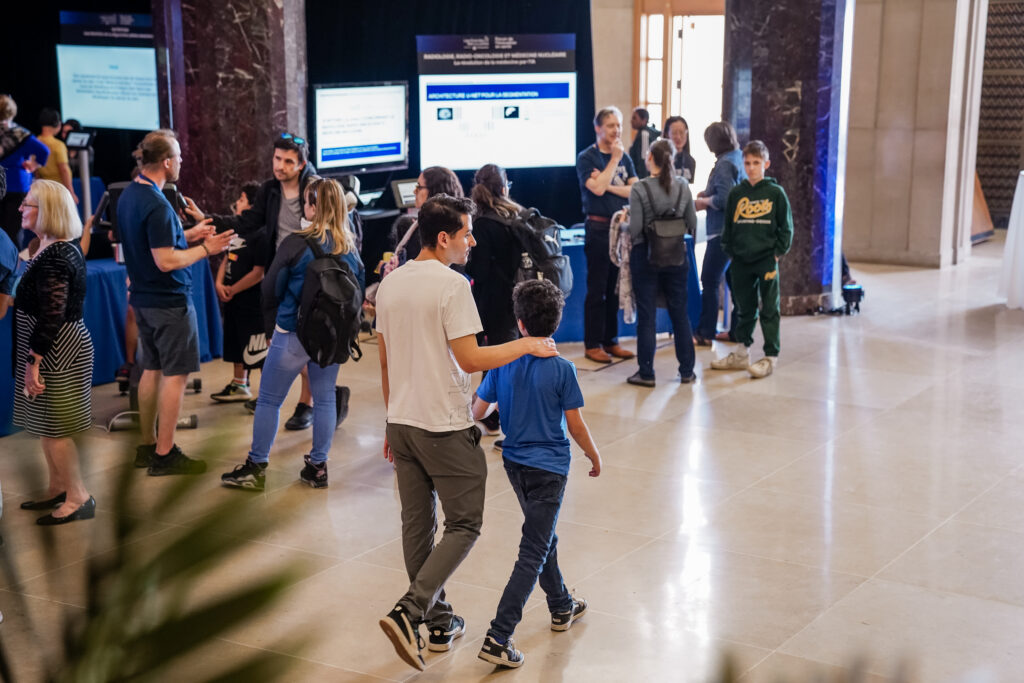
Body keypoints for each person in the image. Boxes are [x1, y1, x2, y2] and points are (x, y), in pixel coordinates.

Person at [375, 194, 558, 672]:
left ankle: (437, 622)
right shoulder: (453, 286)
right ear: (443, 238)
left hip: (403, 421)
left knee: (417, 525)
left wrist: (390, 420)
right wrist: (526, 344)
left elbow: (385, 357)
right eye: (466, 233)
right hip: (442, 424)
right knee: (464, 523)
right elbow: (471, 359)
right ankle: (410, 610)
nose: (472, 241)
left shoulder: (390, 284)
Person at [471, 279, 601, 669]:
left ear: (520, 324)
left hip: (515, 465)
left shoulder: (503, 362)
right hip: (550, 470)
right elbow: (575, 426)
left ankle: (561, 605)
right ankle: (499, 635)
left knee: (542, 536)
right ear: (556, 324)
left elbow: (477, 412)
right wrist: (594, 455)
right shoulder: (563, 369)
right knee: (533, 549)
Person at [186, 134, 345, 430]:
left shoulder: (317, 189)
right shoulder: (270, 191)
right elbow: (247, 222)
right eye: (276, 159)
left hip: (315, 274)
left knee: (309, 341)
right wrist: (207, 219)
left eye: (287, 161)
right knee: (285, 341)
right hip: (283, 271)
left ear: (301, 165)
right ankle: (316, 397)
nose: (280, 166)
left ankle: (307, 404)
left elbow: (337, 227)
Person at [220, 178, 364, 491]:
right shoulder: (350, 249)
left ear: (313, 207)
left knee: (269, 401)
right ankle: (317, 467)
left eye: (306, 202)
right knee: (325, 399)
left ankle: (255, 467)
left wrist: (273, 327)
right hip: (331, 337)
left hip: (292, 334)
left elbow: (271, 288)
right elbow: (359, 295)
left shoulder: (295, 243)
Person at [118, 129, 234, 474]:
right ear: (166, 162)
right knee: (176, 374)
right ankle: (165, 453)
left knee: (151, 370)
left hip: (143, 299)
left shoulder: (129, 195)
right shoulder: (156, 202)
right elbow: (165, 260)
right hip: (169, 301)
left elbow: (152, 243)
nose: (182, 162)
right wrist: (205, 249)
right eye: (179, 157)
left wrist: (189, 235)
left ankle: (146, 446)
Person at [11, 180, 95, 524]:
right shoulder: (48, 246)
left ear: (47, 210)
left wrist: (34, 363)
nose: (20, 208)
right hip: (51, 345)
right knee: (48, 426)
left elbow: (52, 316)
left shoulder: (57, 256)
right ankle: (57, 487)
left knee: (56, 429)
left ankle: (79, 497)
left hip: (56, 347)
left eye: (27, 204)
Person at [711, 140, 793, 379]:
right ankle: (741, 352)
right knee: (744, 308)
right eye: (747, 163)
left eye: (756, 163)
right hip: (740, 261)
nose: (751, 168)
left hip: (766, 260)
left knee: (769, 308)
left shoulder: (775, 193)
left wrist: (776, 253)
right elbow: (729, 226)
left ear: (766, 164)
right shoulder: (737, 193)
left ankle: (770, 355)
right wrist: (731, 250)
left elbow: (786, 228)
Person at [625, 139, 698, 387]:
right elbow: (692, 223)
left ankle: (646, 373)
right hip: (677, 257)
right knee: (680, 313)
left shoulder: (640, 189)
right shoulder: (683, 187)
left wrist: (623, 223)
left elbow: (634, 229)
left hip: (645, 256)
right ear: (673, 159)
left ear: (649, 159)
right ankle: (687, 370)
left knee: (647, 316)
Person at [576, 106, 637, 364]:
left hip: (622, 230)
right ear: (598, 128)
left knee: (615, 288)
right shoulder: (587, 158)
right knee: (597, 289)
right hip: (599, 228)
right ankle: (593, 343)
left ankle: (611, 341)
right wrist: (613, 161)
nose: (616, 130)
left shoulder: (627, 158)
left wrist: (609, 183)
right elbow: (597, 191)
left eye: (619, 125)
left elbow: (634, 191)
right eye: (611, 126)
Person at [693, 121, 746, 346]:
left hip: (722, 232)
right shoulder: (737, 158)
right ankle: (736, 331)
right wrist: (709, 191)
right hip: (737, 231)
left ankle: (705, 332)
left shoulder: (725, 164)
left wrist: (703, 201)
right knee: (735, 283)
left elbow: (726, 198)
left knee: (710, 280)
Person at [210, 210, 270, 403]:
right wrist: (219, 283)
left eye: (243, 199)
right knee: (236, 343)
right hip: (232, 300)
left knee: (257, 347)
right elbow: (227, 258)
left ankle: (267, 394)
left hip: (252, 301)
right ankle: (239, 384)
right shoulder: (236, 231)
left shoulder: (262, 235)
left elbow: (258, 273)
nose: (237, 203)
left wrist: (233, 289)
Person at [388, 165, 464, 265]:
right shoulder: (461, 227)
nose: (414, 191)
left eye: (419, 187)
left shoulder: (421, 233)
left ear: (434, 191)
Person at [1, 95, 50, 244]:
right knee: (12, 232)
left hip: (8, 187)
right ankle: (11, 266)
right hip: (17, 186)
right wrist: (34, 165)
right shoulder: (21, 134)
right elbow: (44, 151)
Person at [35, 109, 77, 202]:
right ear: (57, 124)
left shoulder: (36, 141)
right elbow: (64, 170)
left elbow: (36, 171)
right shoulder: (58, 145)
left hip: (44, 189)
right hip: (59, 189)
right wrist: (71, 193)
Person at [628, 107, 660, 180]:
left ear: (644, 120)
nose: (631, 121)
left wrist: (642, 181)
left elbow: (643, 160)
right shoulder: (641, 133)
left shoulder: (644, 134)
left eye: (634, 118)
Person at [663, 116, 696, 184]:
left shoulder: (690, 161)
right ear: (666, 134)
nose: (678, 137)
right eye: (674, 133)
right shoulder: (658, 159)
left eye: (682, 132)